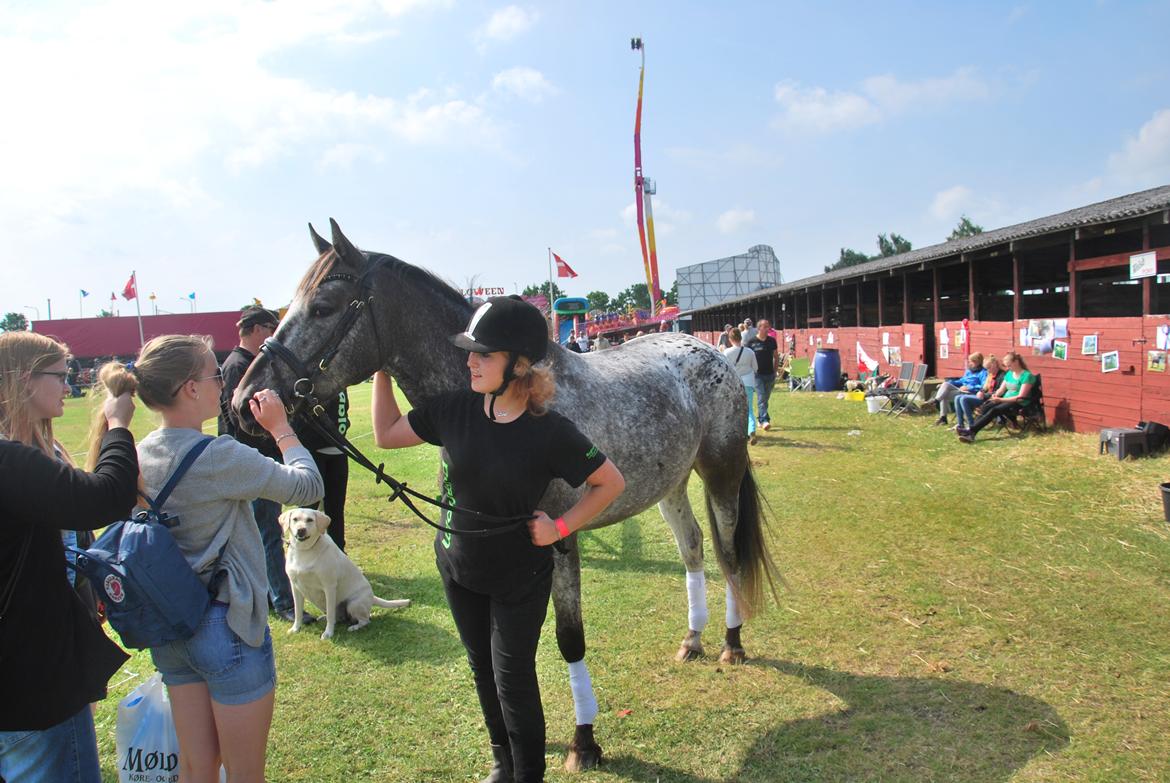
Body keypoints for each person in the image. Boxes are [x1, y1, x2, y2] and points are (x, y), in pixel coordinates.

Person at [371, 296, 625, 783]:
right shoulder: (453, 409)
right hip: (458, 568)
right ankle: (502, 763)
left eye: (483, 354)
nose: (469, 361)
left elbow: (609, 482)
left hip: (518, 578)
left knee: (513, 681)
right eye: (470, 352)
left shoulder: (549, 431)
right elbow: (385, 434)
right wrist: (382, 370)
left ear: (520, 364)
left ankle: (528, 775)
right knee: (481, 669)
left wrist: (560, 527)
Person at [120, 334, 322, 782]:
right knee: (245, 772)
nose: (222, 385)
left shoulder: (139, 452)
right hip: (225, 623)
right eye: (214, 375)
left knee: (196, 767)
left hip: (170, 624)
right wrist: (281, 428)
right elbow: (307, 487)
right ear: (191, 388)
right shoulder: (217, 455)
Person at [0, 332, 138, 783]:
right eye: (60, 376)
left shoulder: (27, 455)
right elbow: (105, 497)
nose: (70, 385)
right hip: (32, 684)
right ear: (23, 381)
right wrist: (118, 424)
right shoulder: (11, 462)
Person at [218, 305, 307, 623]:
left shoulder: (248, 363)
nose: (274, 334)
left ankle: (274, 594)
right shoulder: (237, 366)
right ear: (256, 329)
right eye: (271, 327)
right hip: (251, 460)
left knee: (264, 530)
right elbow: (240, 421)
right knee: (267, 532)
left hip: (258, 459)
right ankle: (282, 601)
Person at [297, 390, 352, 551]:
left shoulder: (339, 377)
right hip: (314, 451)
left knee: (335, 510)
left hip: (338, 450)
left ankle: (339, 554)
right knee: (307, 512)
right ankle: (303, 554)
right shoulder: (317, 376)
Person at [957, 351, 1035, 443]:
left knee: (995, 410)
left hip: (1018, 403)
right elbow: (1001, 390)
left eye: (1009, 365)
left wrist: (1000, 399)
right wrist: (995, 395)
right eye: (1006, 366)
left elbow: (1021, 397)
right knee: (986, 406)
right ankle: (970, 430)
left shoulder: (1027, 376)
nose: (1007, 368)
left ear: (1016, 362)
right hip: (1005, 400)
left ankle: (971, 431)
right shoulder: (1009, 374)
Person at [722, 328, 759, 445]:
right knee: (749, 410)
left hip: (733, 382)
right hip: (748, 382)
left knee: (734, 409)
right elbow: (756, 368)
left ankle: (737, 432)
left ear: (730, 339)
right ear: (741, 337)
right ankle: (751, 430)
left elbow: (725, 369)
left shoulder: (727, 352)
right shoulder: (750, 352)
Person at [929, 352, 986, 427]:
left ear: (977, 362)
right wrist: (948, 383)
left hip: (971, 393)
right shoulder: (969, 371)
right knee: (945, 386)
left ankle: (940, 410)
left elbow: (983, 386)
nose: (969, 363)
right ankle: (939, 408)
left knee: (944, 394)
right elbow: (962, 380)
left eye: (971, 361)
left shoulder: (983, 372)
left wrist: (969, 387)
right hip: (961, 389)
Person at [745, 318, 780, 432]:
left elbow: (776, 356)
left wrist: (775, 371)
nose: (767, 328)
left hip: (769, 374)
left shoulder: (772, 341)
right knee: (761, 397)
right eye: (764, 326)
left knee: (765, 398)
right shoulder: (751, 342)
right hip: (757, 375)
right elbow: (747, 357)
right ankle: (765, 420)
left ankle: (761, 419)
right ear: (759, 328)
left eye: (768, 326)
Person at [954, 355, 1003, 432]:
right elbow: (984, 387)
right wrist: (981, 391)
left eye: (989, 368)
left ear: (995, 365)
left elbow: (998, 391)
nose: (988, 371)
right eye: (986, 369)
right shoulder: (990, 375)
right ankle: (960, 424)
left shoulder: (1002, 376)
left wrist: (984, 394)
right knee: (957, 397)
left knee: (963, 399)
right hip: (984, 396)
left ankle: (971, 424)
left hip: (990, 399)